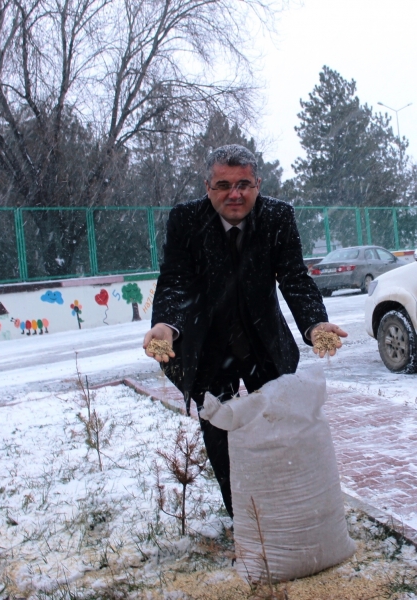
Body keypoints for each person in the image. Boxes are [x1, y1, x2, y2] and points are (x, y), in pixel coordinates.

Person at [143, 144, 347, 517]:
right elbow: (174, 280)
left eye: (243, 184)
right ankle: (243, 519)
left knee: (280, 427)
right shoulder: (186, 219)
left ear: (258, 184)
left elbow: (294, 277)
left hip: (262, 343)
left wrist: (315, 323)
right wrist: (165, 325)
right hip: (208, 347)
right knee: (220, 437)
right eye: (223, 185)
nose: (234, 194)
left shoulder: (277, 216)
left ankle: (285, 508)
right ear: (208, 186)